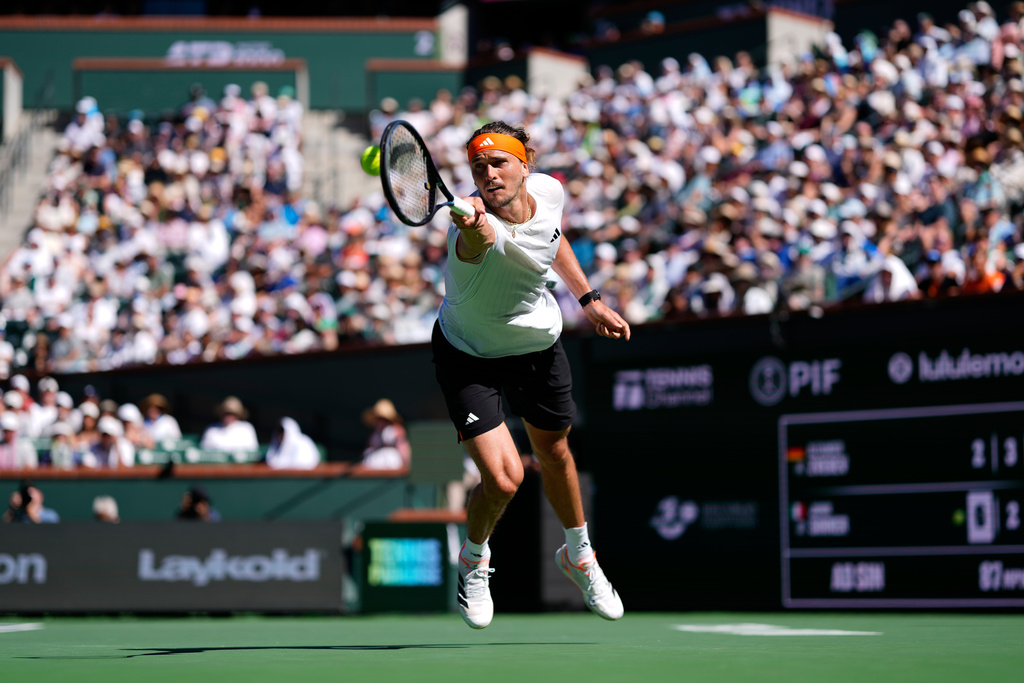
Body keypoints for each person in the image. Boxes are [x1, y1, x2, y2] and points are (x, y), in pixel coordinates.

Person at [434, 121, 629, 629]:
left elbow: (552, 238)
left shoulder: (549, 191)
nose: (489, 174)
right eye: (479, 167)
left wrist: (588, 298)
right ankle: (474, 560)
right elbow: (479, 237)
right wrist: (472, 224)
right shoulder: (473, 231)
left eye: (499, 162)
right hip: (467, 354)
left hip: (537, 348)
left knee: (556, 453)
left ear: (527, 164)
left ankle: (580, 555)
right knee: (504, 479)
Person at [357, 398, 411, 470]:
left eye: (383, 419)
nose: (381, 422)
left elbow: (403, 448)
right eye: (378, 419)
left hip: (392, 464)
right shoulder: (374, 433)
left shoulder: (396, 430)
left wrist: (407, 464)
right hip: (375, 464)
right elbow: (371, 448)